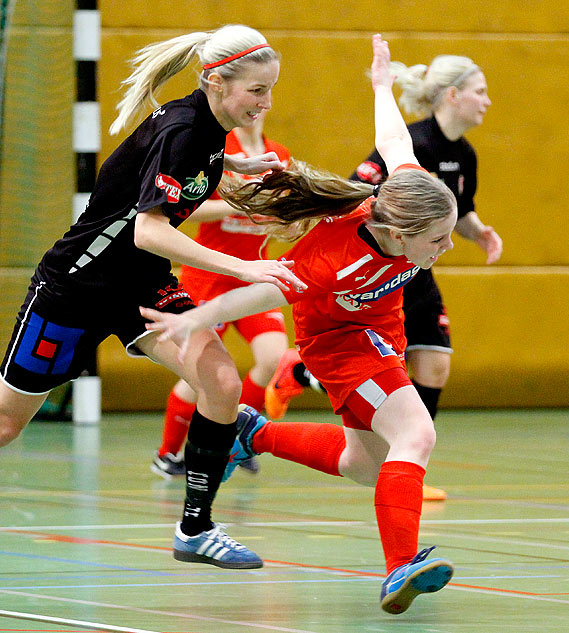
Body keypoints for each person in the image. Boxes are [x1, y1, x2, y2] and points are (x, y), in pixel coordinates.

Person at [0, 24, 306, 611]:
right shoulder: (183, 130)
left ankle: (195, 528)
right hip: (73, 291)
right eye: (257, 90)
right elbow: (149, 230)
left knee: (221, 381)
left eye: (270, 91)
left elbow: (168, 186)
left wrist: (239, 176)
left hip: (139, 291)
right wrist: (245, 269)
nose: (265, 103)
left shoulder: (207, 132)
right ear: (215, 81)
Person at [141, 34, 455, 615]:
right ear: (399, 235)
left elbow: (393, 140)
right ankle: (398, 570)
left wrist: (383, 85)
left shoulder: (406, 194)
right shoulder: (333, 259)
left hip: (377, 335)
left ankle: (250, 433)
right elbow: (261, 290)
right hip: (341, 345)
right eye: (438, 240)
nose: (446, 245)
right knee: (417, 436)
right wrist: (198, 317)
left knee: (366, 466)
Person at [264, 49, 500, 502]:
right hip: (378, 270)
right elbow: (365, 194)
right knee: (394, 371)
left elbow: (460, 210)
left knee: (433, 362)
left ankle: (407, 461)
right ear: (452, 95)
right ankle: (309, 372)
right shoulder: (417, 146)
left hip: (414, 265)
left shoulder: (463, 154)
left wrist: (479, 233)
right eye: (480, 91)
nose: (487, 101)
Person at [152, 111, 291, 478]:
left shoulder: (278, 155)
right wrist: (240, 203)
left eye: (265, 95)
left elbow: (283, 213)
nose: (258, 105)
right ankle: (167, 454)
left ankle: (234, 440)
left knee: (274, 357)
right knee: (199, 373)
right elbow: (186, 211)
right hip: (210, 274)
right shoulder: (218, 151)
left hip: (254, 273)